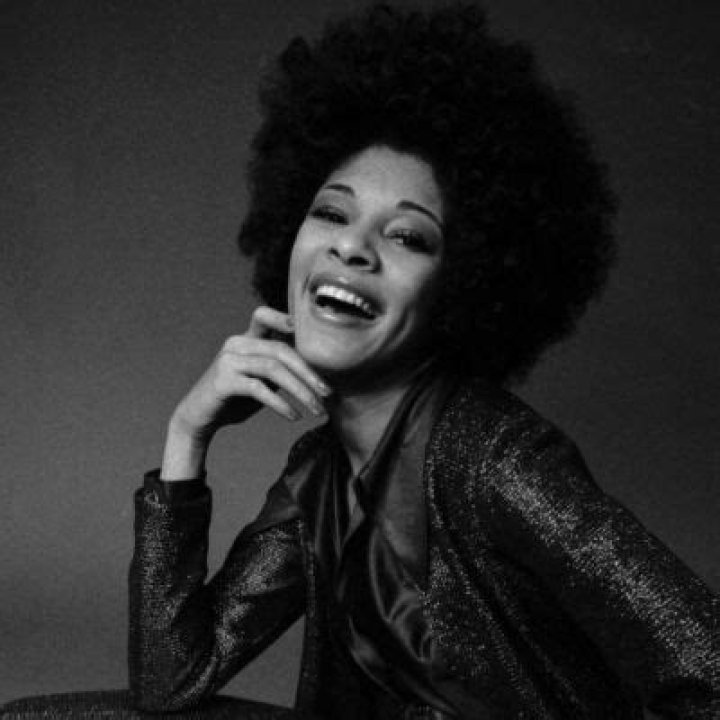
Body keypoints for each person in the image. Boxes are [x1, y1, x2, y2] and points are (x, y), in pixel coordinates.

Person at [128, 3, 720, 719]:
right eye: (332, 213)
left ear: (462, 285)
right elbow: (171, 680)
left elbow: (705, 660)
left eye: (408, 237)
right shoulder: (320, 478)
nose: (352, 247)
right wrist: (187, 434)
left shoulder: (498, 463)